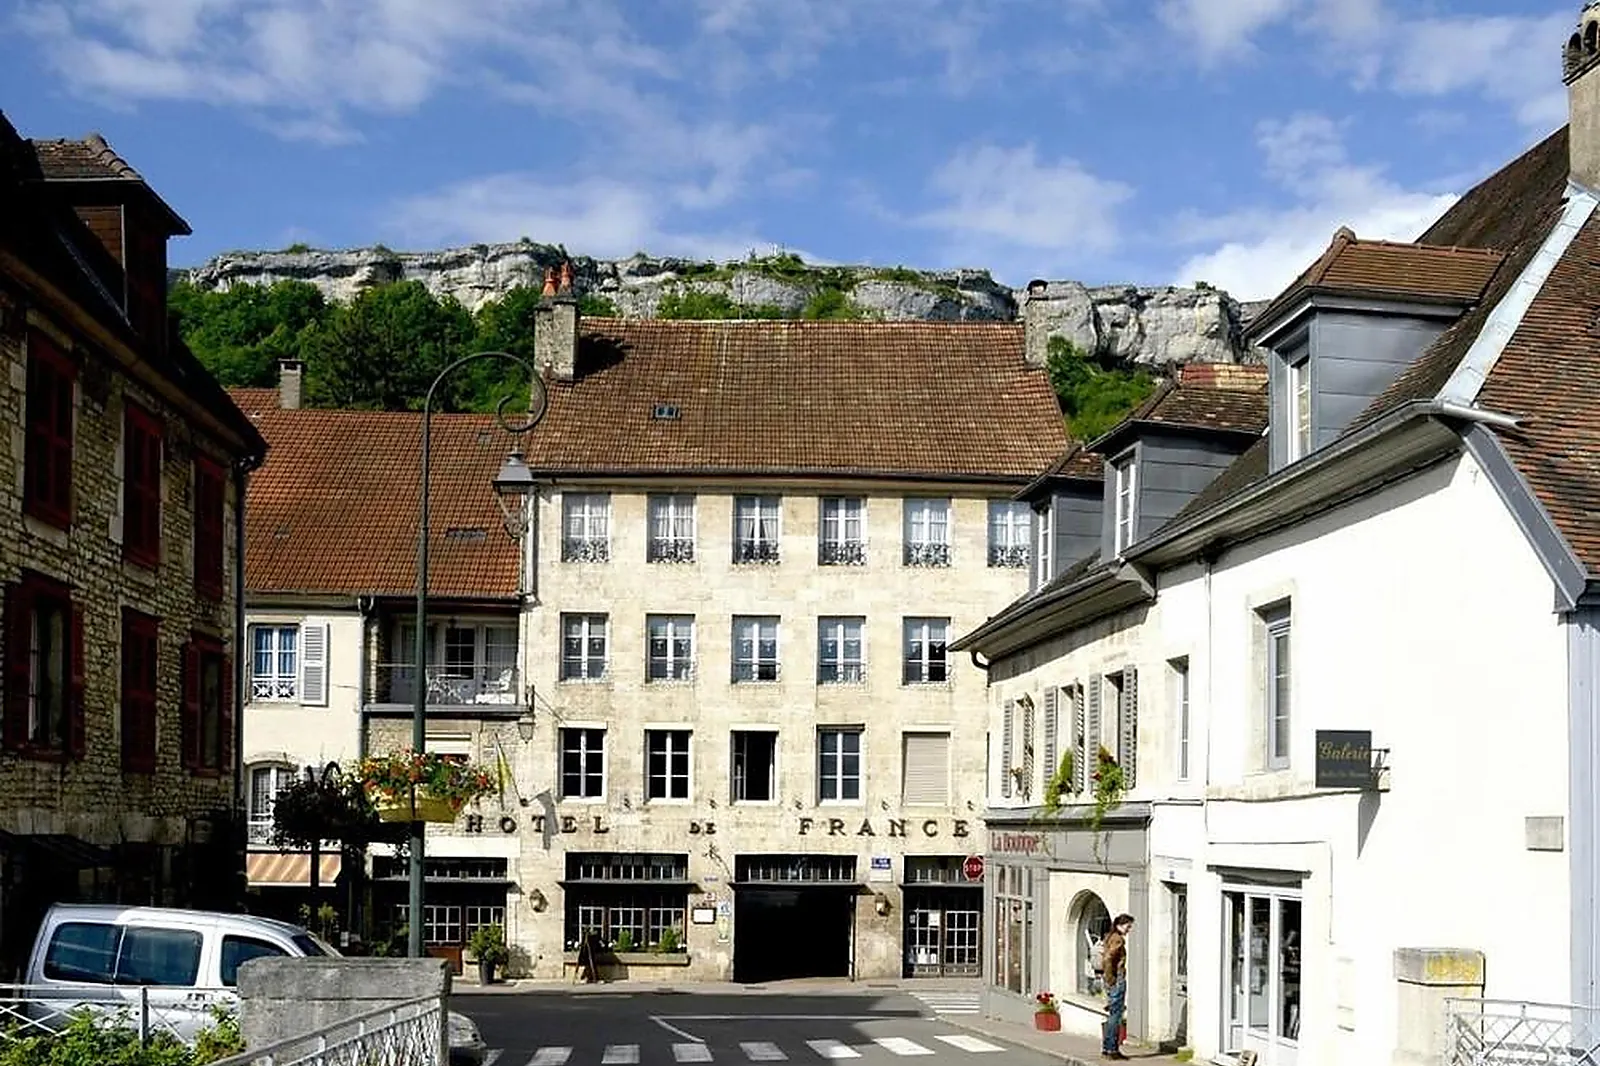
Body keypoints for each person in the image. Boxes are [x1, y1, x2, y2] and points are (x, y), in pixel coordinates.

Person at [1101, 914, 1135, 1060]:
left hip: (1112, 979)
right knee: (1116, 1015)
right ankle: (1112, 1050)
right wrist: (1112, 979)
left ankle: (1107, 1048)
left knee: (1112, 1014)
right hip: (1117, 979)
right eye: (1128, 926)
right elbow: (1109, 958)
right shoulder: (1118, 939)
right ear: (1121, 924)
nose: (1129, 929)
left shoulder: (1109, 936)